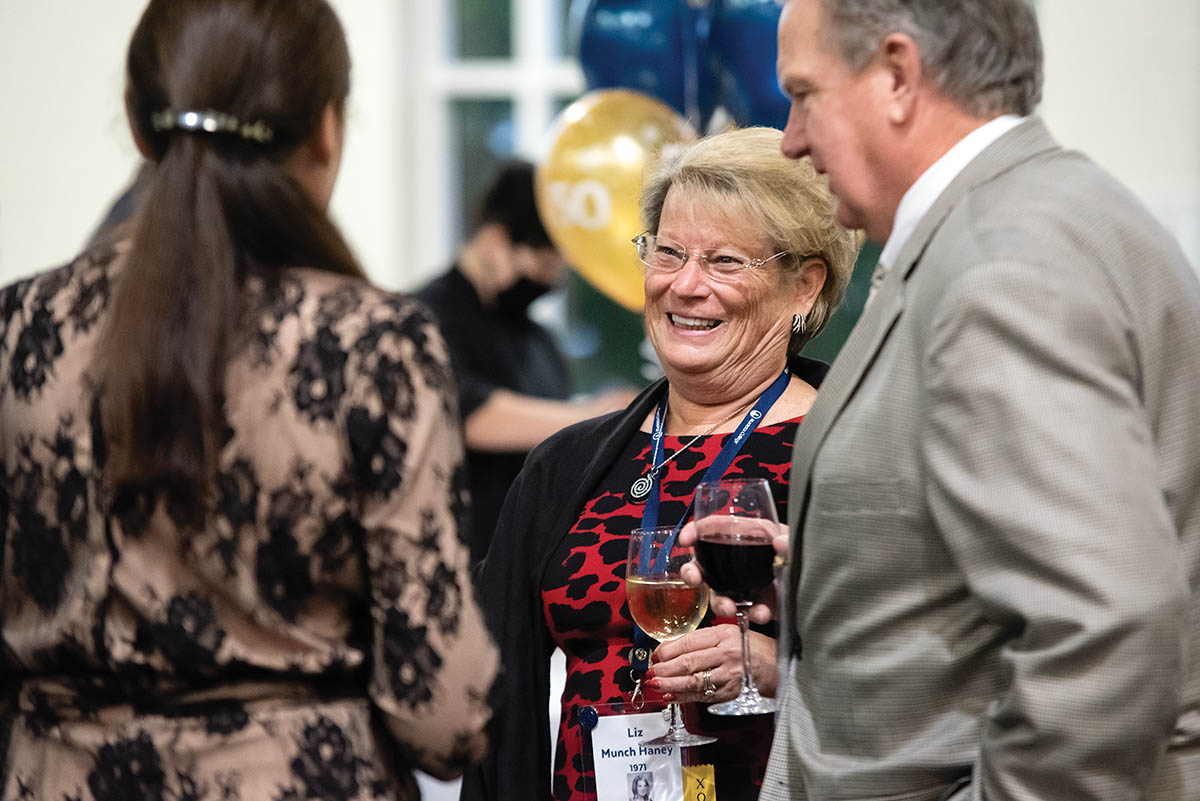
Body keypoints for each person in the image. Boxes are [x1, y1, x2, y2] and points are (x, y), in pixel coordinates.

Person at [0, 2, 496, 799]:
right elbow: (441, 715)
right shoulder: (373, 344)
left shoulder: (21, 327)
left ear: (138, 129)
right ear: (327, 131)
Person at [754, 0, 1200, 799]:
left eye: (803, 93)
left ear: (897, 73)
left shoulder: (1002, 263)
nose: (791, 138)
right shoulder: (1039, 215)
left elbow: (1103, 625)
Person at [459, 126, 857, 801]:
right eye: (668, 252)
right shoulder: (567, 465)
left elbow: (927, 670)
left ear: (804, 287)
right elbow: (495, 698)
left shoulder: (850, 451)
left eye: (726, 261)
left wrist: (778, 669)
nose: (685, 285)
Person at [416, 162, 635, 562]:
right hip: (457, 553)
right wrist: (597, 417)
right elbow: (468, 413)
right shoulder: (424, 318)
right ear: (497, 241)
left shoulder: (537, 339)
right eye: (541, 262)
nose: (546, 281)